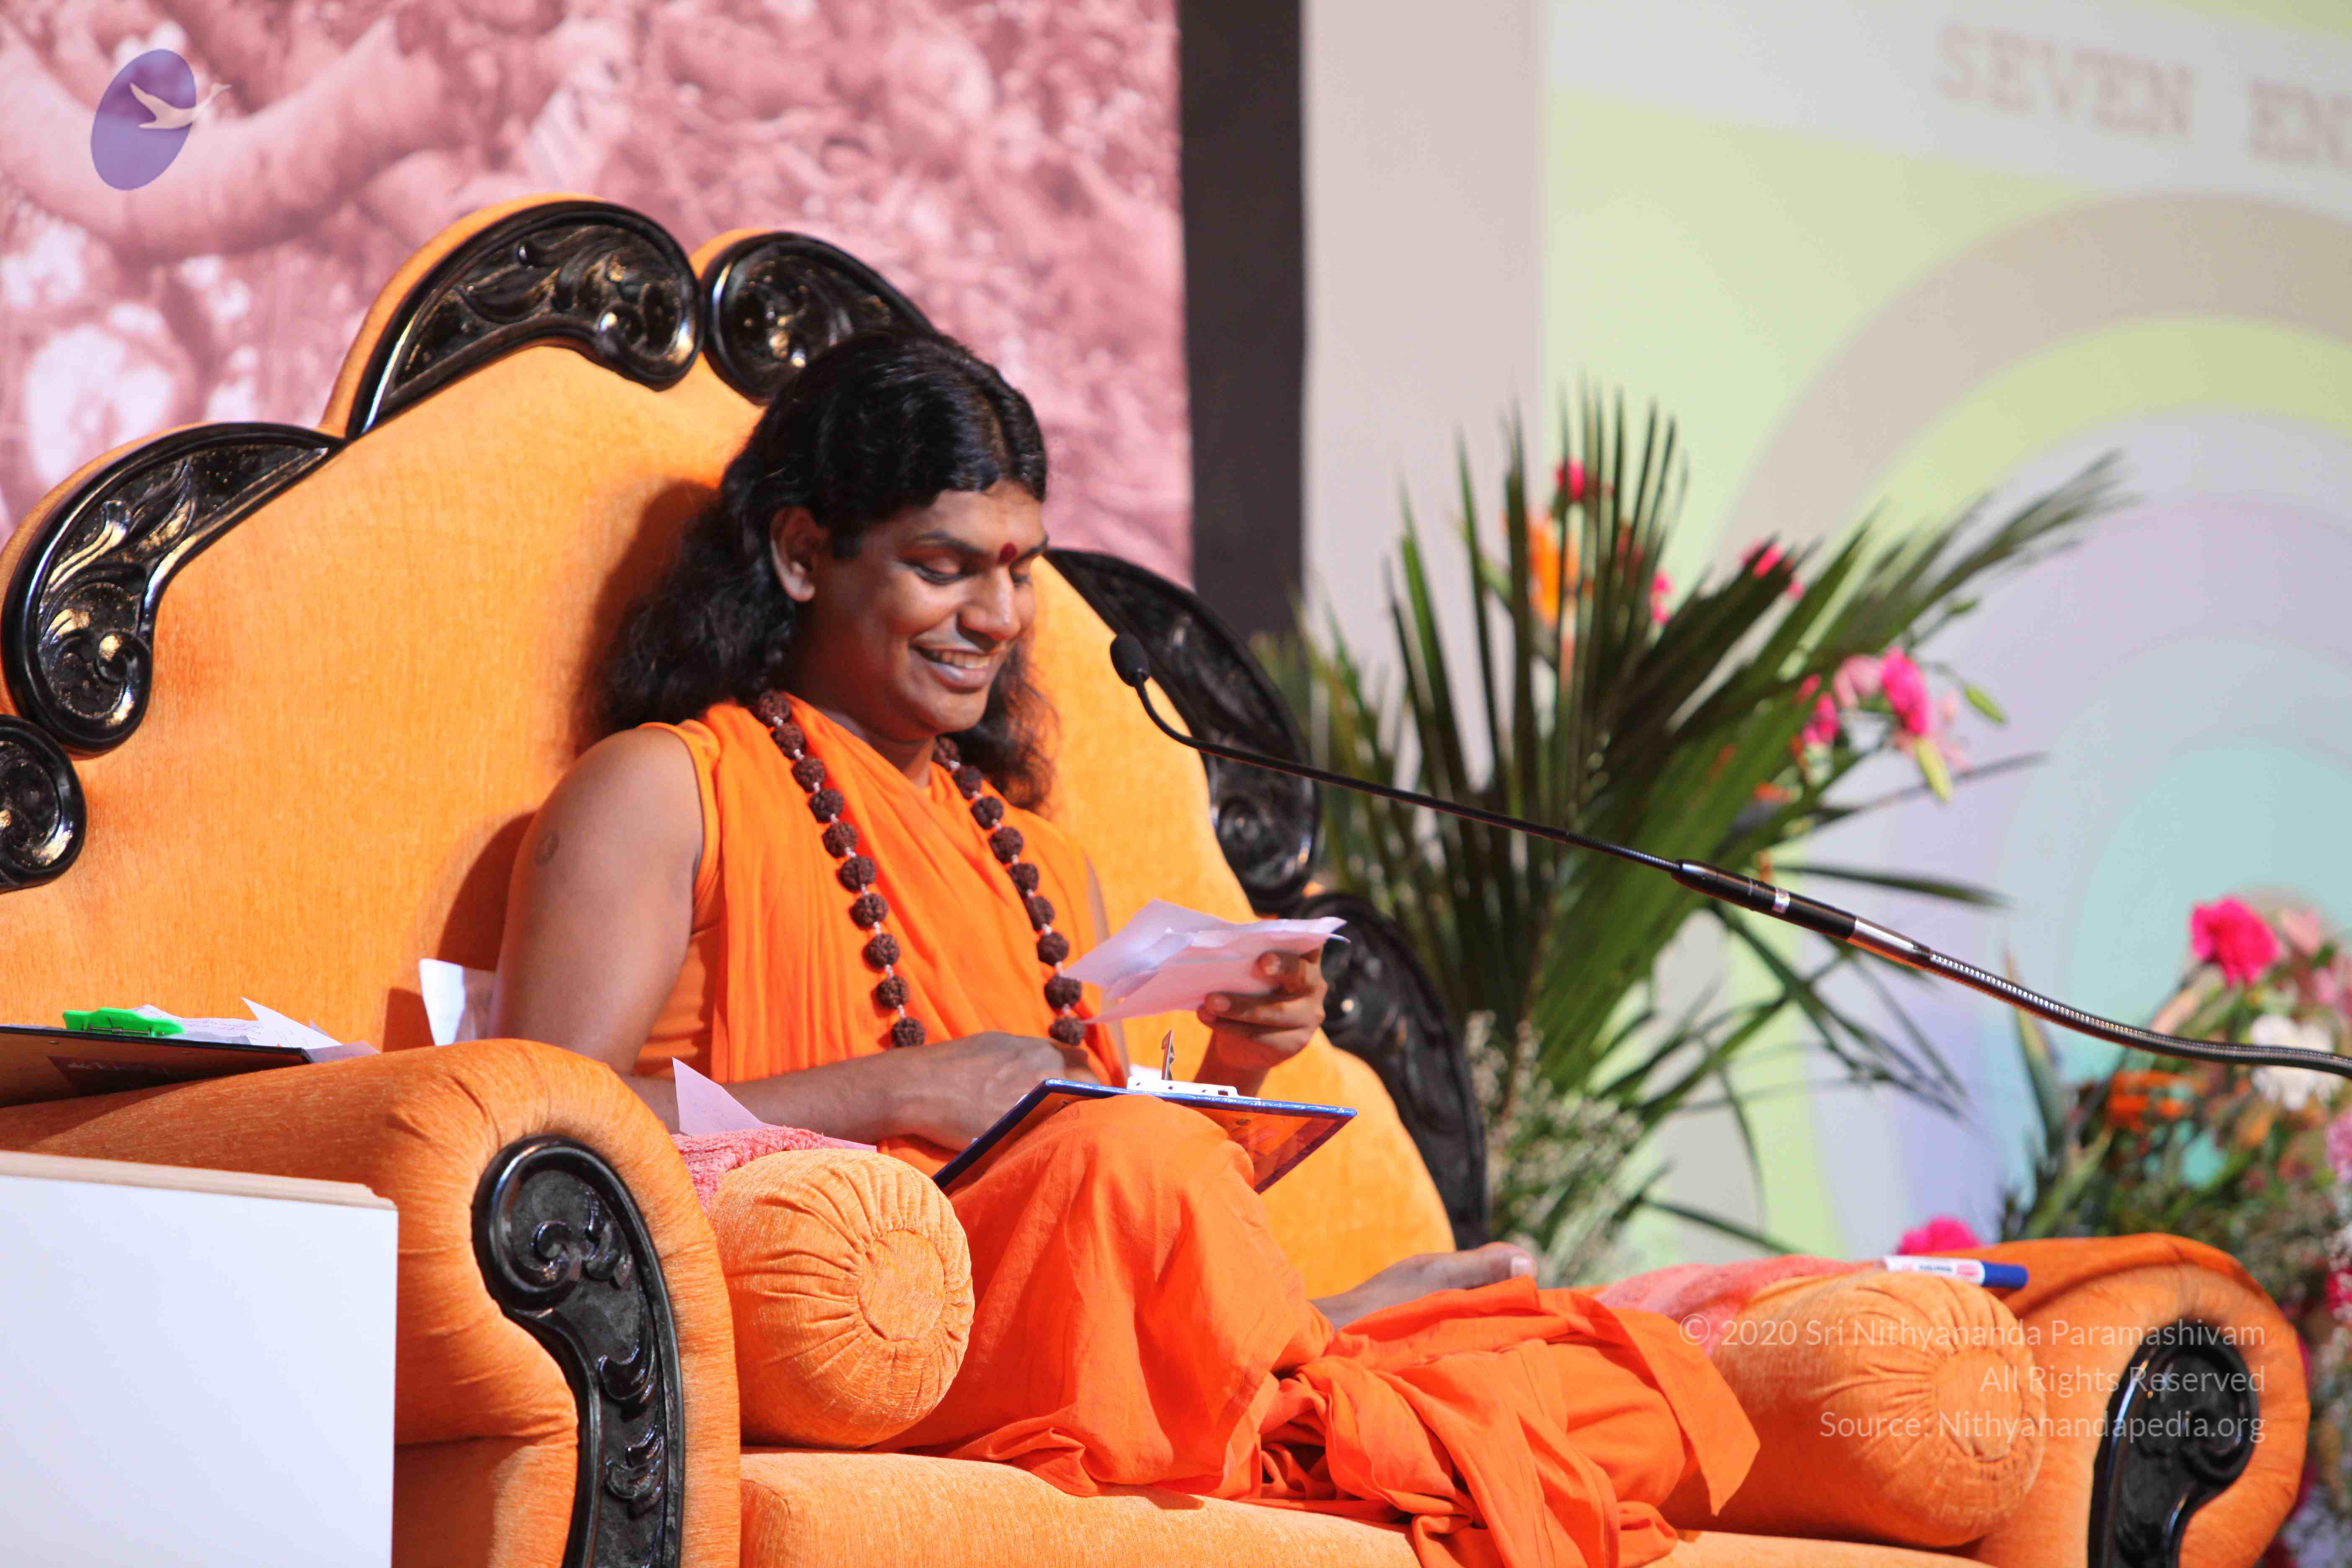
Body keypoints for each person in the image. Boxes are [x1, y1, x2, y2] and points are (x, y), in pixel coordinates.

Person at [489, 330, 1755, 1566]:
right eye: (946, 566)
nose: (997, 617)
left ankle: (1309, 1359)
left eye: (1020, 569)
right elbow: (541, 1139)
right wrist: (898, 1091)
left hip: (1078, 1337)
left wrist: (1237, 1071)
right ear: (804, 553)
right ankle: (1326, 1349)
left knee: (1623, 1378)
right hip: (844, 1330)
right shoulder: (665, 789)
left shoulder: (1040, 861)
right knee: (1145, 1172)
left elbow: (1108, 1217)